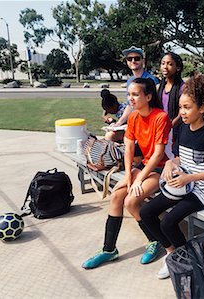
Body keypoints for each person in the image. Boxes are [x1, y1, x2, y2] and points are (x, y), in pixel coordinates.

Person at [140, 73, 204, 279]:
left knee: (168, 222)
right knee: (147, 213)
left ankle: (187, 261)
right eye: (180, 107)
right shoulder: (182, 129)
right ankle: (172, 254)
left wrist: (189, 178)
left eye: (187, 107)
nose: (182, 112)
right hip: (183, 184)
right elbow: (179, 158)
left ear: (202, 109)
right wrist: (170, 163)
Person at [82, 78, 171, 269]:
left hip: (163, 168)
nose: (131, 98)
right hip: (144, 167)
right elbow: (128, 149)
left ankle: (155, 241)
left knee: (131, 201)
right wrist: (130, 175)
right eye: (129, 94)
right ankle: (109, 250)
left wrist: (138, 178)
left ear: (148, 96)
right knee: (116, 196)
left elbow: (158, 154)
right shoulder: (133, 117)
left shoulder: (160, 117)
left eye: (135, 94)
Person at [109, 46, 160, 130]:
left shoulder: (151, 80)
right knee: (110, 135)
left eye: (136, 58)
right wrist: (119, 123)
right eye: (129, 59)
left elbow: (155, 105)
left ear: (143, 60)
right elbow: (130, 106)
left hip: (147, 124)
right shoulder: (130, 81)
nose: (133, 61)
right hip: (133, 122)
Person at [157, 52, 185, 157]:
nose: (165, 67)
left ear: (177, 68)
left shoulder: (183, 88)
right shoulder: (159, 87)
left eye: (170, 64)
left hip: (176, 131)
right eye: (163, 63)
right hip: (161, 129)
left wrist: (170, 126)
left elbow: (182, 113)